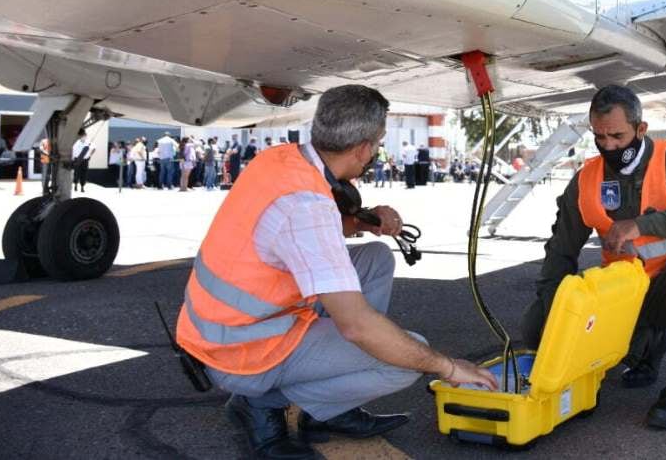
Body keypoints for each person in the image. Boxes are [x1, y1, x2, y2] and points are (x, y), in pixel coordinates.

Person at [177, 84, 496, 460]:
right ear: (363, 148)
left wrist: (364, 222)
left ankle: (330, 408)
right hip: (243, 351)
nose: (375, 152)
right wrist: (447, 367)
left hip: (217, 326)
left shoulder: (279, 160)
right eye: (376, 143)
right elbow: (356, 325)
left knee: (376, 258)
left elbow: (298, 231)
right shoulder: (307, 207)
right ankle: (259, 403)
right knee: (405, 362)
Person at [520, 85, 666, 430]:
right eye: (600, 136)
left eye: (618, 136)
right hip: (626, 299)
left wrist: (640, 225)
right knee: (535, 332)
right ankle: (647, 345)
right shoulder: (586, 179)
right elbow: (560, 252)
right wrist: (556, 315)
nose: (609, 145)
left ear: (640, 129)